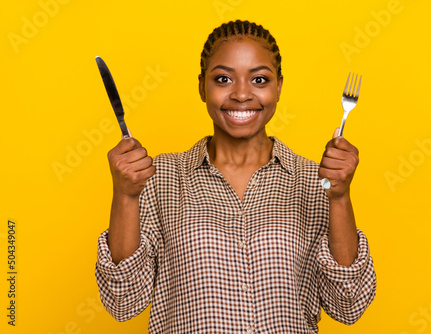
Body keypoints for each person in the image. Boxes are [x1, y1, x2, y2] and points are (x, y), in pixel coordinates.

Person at [95, 20, 376, 333]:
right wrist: (124, 195)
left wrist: (339, 196)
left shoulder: (318, 181)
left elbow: (348, 305)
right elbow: (123, 301)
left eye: (259, 79)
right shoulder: (158, 179)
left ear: (279, 87)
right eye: (224, 78)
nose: (242, 94)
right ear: (202, 86)